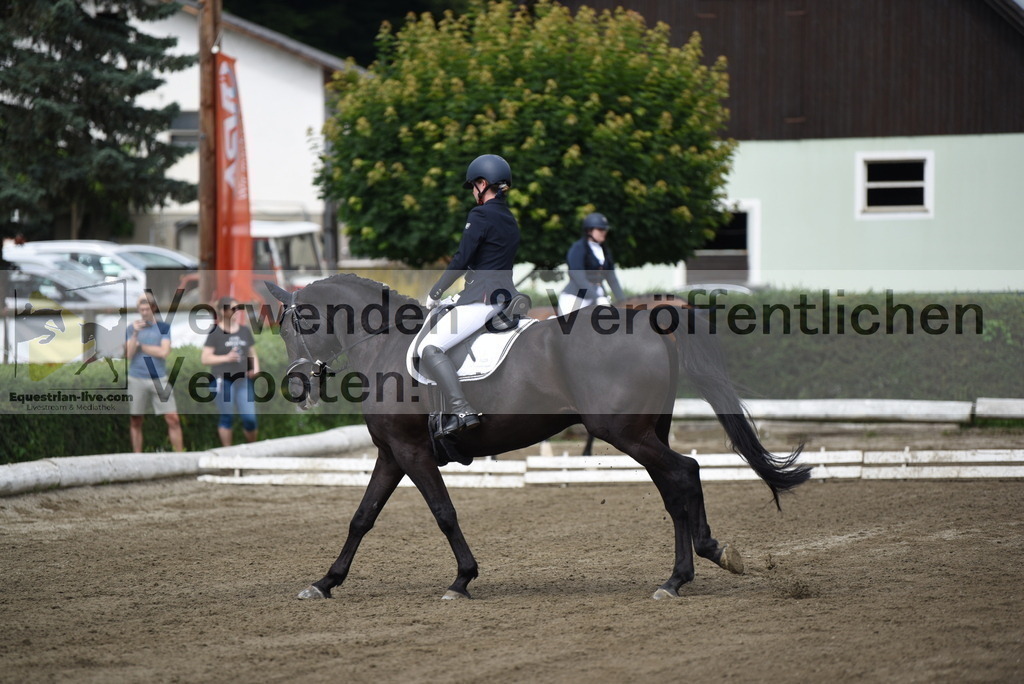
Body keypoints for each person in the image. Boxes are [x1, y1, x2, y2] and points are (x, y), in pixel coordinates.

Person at [417, 153, 521, 438]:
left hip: (482, 299)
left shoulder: (480, 215)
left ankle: (461, 408)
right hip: (505, 297)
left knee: (430, 348)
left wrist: (437, 291)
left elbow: (462, 258)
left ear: (483, 183)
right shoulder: (509, 218)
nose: (473, 192)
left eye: (474, 186)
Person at [127, 293, 184, 452]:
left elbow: (163, 352)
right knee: (136, 420)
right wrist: (135, 334)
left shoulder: (164, 327)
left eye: (147, 309)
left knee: (173, 418)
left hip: (159, 378)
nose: (144, 312)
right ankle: (137, 457)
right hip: (136, 378)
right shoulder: (131, 328)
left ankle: (180, 456)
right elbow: (128, 354)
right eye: (141, 309)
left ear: (153, 308)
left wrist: (142, 346)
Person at [201, 296, 260, 446]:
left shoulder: (244, 330)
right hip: (223, 381)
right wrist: (226, 358)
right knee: (227, 417)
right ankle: (228, 453)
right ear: (222, 311)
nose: (236, 311)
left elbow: (252, 353)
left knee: (250, 419)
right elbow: (205, 358)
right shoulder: (215, 333)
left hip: (243, 380)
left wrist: (254, 367)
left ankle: (253, 450)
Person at [558, 212, 626, 316]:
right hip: (576, 297)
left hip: (599, 296)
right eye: (600, 229)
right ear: (589, 230)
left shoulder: (605, 250)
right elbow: (578, 277)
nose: (604, 232)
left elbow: (612, 279)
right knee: (570, 324)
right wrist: (596, 297)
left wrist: (623, 301)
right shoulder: (578, 248)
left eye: (605, 230)